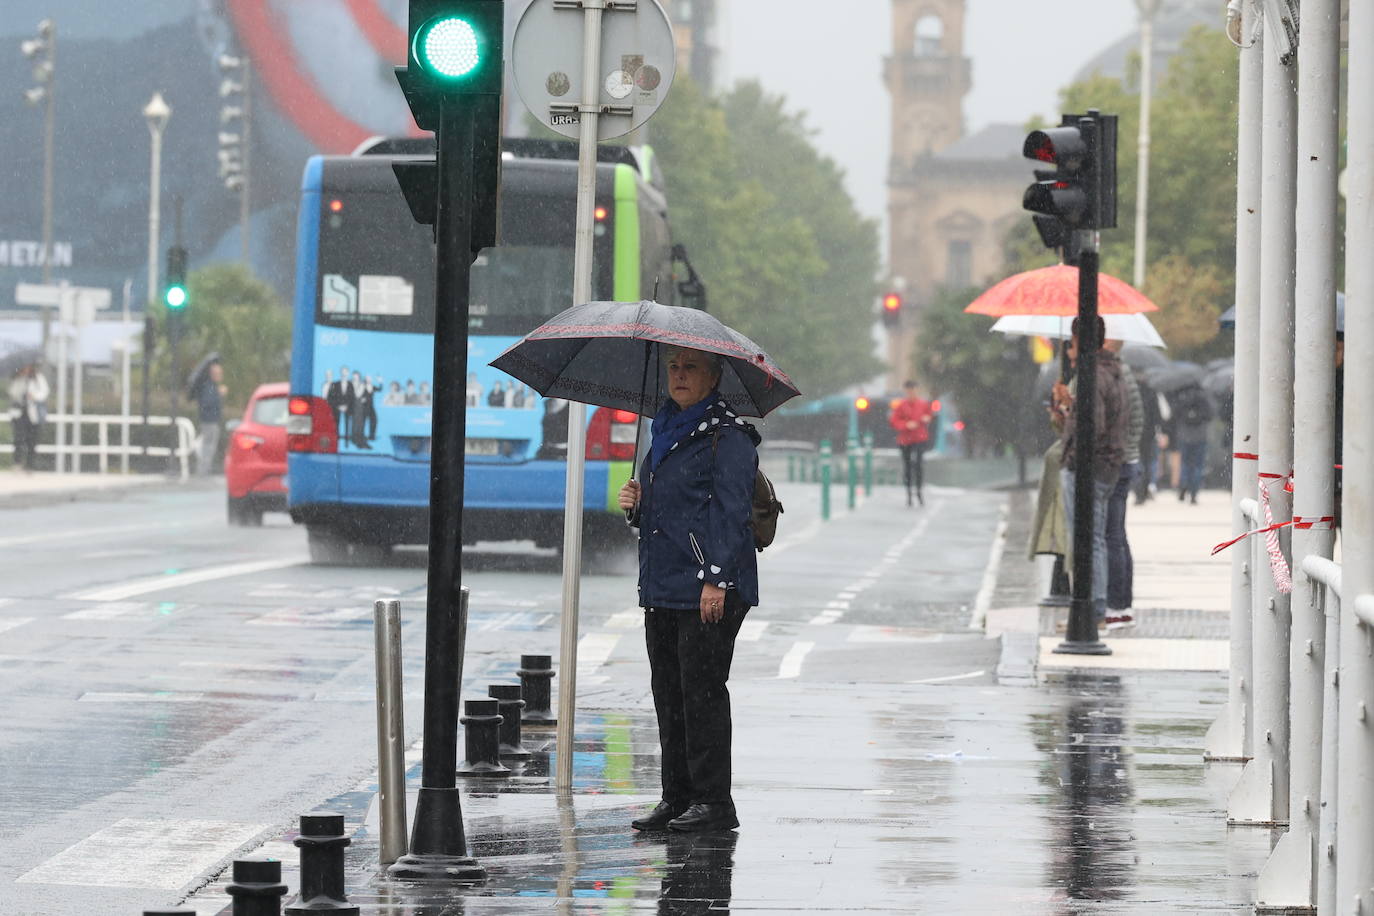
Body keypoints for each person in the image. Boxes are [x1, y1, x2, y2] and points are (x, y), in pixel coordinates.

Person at [618, 346, 760, 834]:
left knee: (701, 693)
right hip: (662, 584)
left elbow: (731, 512)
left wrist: (716, 579)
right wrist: (637, 504)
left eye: (690, 368)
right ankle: (676, 797)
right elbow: (665, 515)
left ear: (714, 376)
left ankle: (714, 801)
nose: (679, 376)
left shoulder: (729, 437)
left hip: (708, 587)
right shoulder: (663, 431)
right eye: (673, 368)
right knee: (669, 693)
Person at [1050, 317, 1128, 627]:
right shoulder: (1113, 371)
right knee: (1095, 538)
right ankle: (1091, 607)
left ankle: (1091, 610)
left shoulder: (1092, 375)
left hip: (1089, 468)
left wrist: (1072, 454)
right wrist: (1070, 408)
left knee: (1086, 538)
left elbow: (1091, 427)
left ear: (1078, 339)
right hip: (1107, 466)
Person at [1103, 341, 1144, 630]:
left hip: (1115, 464)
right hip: (1127, 460)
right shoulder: (1125, 374)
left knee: (1110, 537)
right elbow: (1139, 420)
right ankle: (1122, 604)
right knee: (1117, 535)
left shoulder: (1114, 375)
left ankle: (1115, 606)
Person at [888, 380, 934, 507]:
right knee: (907, 466)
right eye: (909, 390)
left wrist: (926, 419)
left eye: (913, 390)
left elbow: (929, 416)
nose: (911, 393)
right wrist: (906, 425)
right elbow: (894, 421)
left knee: (919, 465)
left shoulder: (923, 404)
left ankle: (919, 491)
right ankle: (908, 493)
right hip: (905, 439)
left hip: (920, 438)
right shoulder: (901, 405)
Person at [1170, 382, 1213, 504]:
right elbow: (1210, 415)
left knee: (1185, 463)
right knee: (1198, 465)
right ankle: (1194, 491)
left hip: (1185, 435)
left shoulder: (1182, 398)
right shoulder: (1203, 399)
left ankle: (1184, 483)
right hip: (1200, 436)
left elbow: (1174, 414)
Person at [8, 362, 49, 472]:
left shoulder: (38, 378)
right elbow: (13, 393)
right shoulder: (18, 378)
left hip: (32, 413)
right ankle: (17, 462)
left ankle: (30, 464)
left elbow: (44, 392)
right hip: (19, 413)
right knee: (18, 439)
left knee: (32, 440)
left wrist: (34, 396)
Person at [193, 361, 227, 475]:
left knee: (209, 445)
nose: (220, 376)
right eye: (219, 373)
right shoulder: (209, 387)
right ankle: (203, 470)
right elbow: (207, 403)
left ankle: (204, 469)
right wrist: (219, 395)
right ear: (213, 374)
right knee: (208, 446)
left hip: (211, 420)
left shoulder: (211, 386)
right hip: (209, 421)